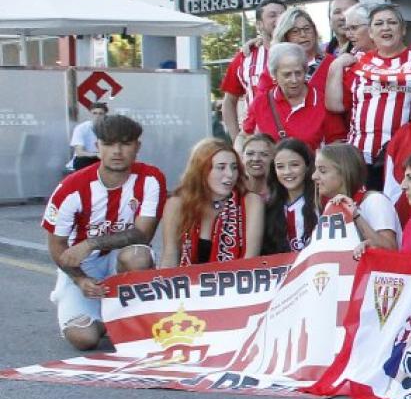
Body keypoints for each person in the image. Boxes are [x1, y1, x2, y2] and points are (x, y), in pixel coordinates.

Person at [42, 112, 162, 350]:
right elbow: (57, 245)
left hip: (120, 257)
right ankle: (107, 319)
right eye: (108, 144)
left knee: (137, 256)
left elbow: (143, 234)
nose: (117, 151)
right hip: (83, 265)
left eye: (125, 143)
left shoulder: (151, 179)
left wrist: (90, 243)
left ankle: (130, 316)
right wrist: (79, 279)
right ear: (97, 147)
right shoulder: (71, 188)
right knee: (84, 339)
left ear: (137, 146)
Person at [325, 4, 411, 189]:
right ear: (370, 32)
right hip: (359, 155)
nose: (386, 27)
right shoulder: (358, 63)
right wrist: (335, 66)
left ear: (402, 30)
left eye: (392, 22)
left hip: (400, 156)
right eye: (379, 23)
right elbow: (335, 105)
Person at [157, 137, 264, 267]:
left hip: (237, 282)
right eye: (221, 167)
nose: (230, 174)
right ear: (202, 170)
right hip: (189, 283)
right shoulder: (177, 204)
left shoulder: (251, 202)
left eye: (234, 167)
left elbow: (251, 259)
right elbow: (170, 256)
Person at [246, 41, 345, 151]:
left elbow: (338, 143)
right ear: (274, 75)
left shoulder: (322, 102)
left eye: (298, 73)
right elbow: (245, 135)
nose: (294, 80)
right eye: (287, 74)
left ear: (306, 71)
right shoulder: (260, 103)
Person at [308, 142, 398, 254]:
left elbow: (390, 249)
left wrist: (355, 215)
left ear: (345, 172)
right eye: (315, 170)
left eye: (322, 171)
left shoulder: (375, 201)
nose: (314, 176)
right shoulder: (332, 206)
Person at [219, 0, 287, 137]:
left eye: (283, 15)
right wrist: (236, 139)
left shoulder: (302, 53)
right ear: (259, 25)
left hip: (295, 139)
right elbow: (229, 101)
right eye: (272, 15)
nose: (279, 19)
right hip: (257, 141)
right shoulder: (245, 57)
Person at [264, 138, 317, 253]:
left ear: (307, 166)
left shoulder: (321, 202)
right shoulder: (270, 207)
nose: (287, 172)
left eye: (294, 165)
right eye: (280, 166)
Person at [235, 131, 274, 200]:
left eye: (264, 154)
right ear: (242, 157)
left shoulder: (282, 193)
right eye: (250, 154)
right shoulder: (234, 190)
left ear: (273, 158)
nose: (256, 159)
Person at [68, 104, 105, 171]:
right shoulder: (81, 128)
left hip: (101, 158)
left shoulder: (108, 128)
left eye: (101, 114)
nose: (97, 116)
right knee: (82, 160)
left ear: (104, 115)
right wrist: (96, 154)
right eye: (95, 113)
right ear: (90, 114)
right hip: (85, 159)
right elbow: (79, 152)